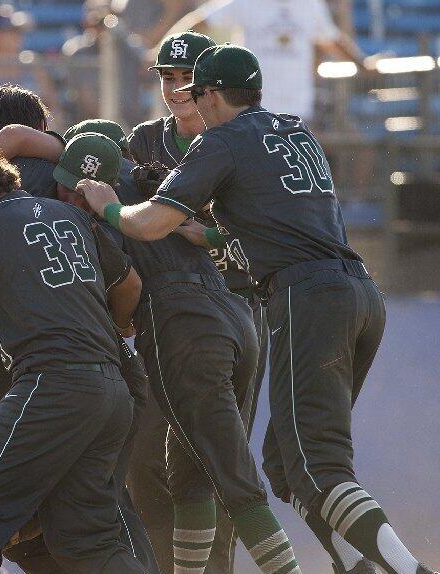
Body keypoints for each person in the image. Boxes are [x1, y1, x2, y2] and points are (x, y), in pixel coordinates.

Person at [77, 44, 440, 574]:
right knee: (284, 466)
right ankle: (353, 566)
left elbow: (147, 224)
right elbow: (232, 227)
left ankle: (409, 570)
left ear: (212, 94)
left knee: (320, 468)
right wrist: (189, 223)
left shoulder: (219, 141)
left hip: (305, 298)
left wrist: (108, 204)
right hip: (359, 292)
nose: (187, 99)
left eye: (194, 88)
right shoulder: (293, 129)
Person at [54, 132, 301, 574]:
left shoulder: (104, 215)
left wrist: (118, 323)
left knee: (235, 480)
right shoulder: (157, 191)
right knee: (188, 477)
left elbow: (127, 286)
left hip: (183, 329)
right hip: (236, 319)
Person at [0, 136, 147, 574]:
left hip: (53, 385)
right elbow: (130, 285)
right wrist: (117, 328)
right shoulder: (71, 216)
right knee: (86, 541)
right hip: (113, 389)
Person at [167, 0, 373, 122]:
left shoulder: (311, 4)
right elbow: (199, 22)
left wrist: (363, 65)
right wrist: (170, 53)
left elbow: (332, 41)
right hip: (251, 111)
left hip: (297, 113)